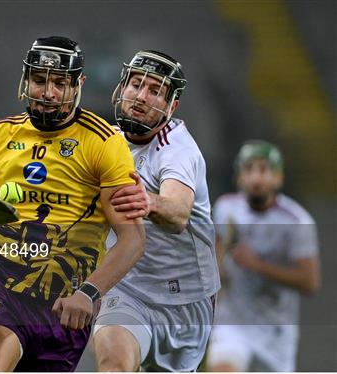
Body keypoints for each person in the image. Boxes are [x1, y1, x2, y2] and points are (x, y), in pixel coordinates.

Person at [0, 36, 145, 372]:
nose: (48, 92)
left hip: (64, 305)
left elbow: (132, 240)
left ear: (78, 85)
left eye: (60, 83)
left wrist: (89, 292)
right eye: (39, 81)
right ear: (25, 80)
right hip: (4, 292)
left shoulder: (105, 143)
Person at [92, 50, 220, 371]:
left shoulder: (176, 148)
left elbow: (177, 212)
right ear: (122, 88)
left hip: (185, 304)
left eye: (155, 91)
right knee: (114, 363)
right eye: (136, 85)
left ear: (171, 106)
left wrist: (149, 201)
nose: (141, 97)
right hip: (128, 290)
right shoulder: (108, 143)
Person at [206, 140, 320, 372]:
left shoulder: (297, 221)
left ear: (278, 178)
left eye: (264, 170)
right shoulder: (226, 207)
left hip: (275, 331)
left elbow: (310, 282)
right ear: (239, 176)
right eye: (249, 169)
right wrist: (216, 276)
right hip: (232, 322)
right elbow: (218, 251)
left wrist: (257, 265)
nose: (256, 179)